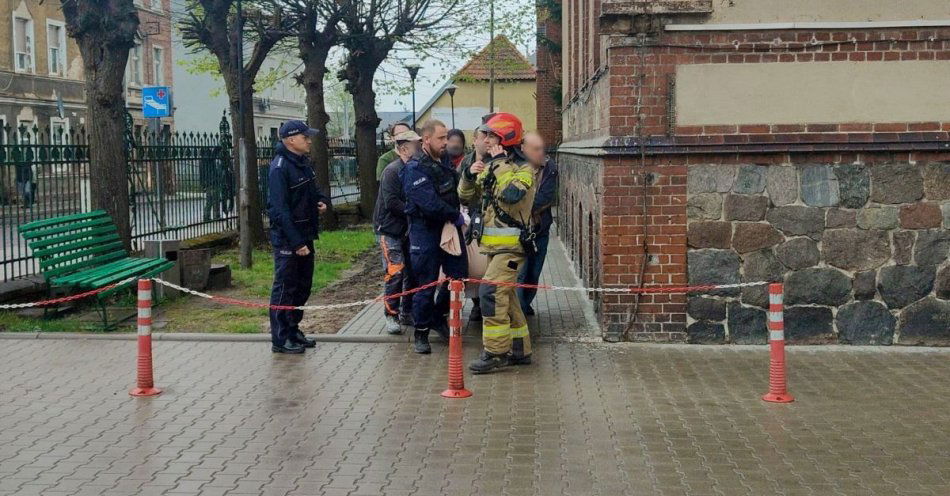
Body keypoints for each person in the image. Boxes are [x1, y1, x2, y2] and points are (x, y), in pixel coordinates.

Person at [458, 112, 537, 374]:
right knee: (507, 297)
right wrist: (470, 175)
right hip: (494, 248)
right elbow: (466, 195)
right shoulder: (492, 165)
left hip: (512, 248)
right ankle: (519, 350)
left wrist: (500, 163)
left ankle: (495, 352)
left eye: (492, 135)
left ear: (505, 138)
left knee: (490, 293)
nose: (486, 140)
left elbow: (512, 195)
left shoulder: (525, 169)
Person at [401, 119, 468, 354]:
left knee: (459, 277)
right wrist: (454, 215)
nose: (446, 142)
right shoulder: (415, 167)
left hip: (449, 227)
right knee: (426, 283)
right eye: (441, 138)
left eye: (447, 137)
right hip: (425, 230)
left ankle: (436, 315)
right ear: (426, 139)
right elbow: (429, 204)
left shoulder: (445, 161)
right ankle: (421, 332)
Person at [267, 120, 331, 354]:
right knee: (285, 288)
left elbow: (310, 192)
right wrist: (296, 243)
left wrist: (320, 201)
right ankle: (281, 338)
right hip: (289, 240)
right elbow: (279, 211)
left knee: (302, 287)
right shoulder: (280, 167)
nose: (309, 140)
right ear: (291, 140)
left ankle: (293, 330)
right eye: (305, 137)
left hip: (305, 234)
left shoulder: (302, 163)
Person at [373, 130, 422, 334]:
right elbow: (392, 202)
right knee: (395, 272)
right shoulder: (393, 171)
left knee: (411, 271)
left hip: (407, 230)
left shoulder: (415, 169)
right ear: (404, 149)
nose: (420, 149)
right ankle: (390, 315)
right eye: (416, 146)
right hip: (390, 230)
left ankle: (406, 311)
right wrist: (416, 211)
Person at [517, 132, 558, 316]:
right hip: (518, 230)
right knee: (520, 272)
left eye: (542, 148)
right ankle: (519, 309)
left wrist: (524, 206)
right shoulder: (515, 165)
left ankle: (526, 302)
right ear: (523, 149)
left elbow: (546, 197)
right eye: (536, 149)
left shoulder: (549, 167)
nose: (540, 152)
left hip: (539, 229)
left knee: (534, 271)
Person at [457, 123, 491, 321]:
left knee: (487, 266)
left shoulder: (496, 160)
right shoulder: (465, 163)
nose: (487, 140)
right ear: (474, 140)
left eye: (490, 136)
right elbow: (460, 191)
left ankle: (486, 303)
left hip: (490, 220)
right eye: (483, 136)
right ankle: (477, 304)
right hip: (470, 219)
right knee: (473, 265)